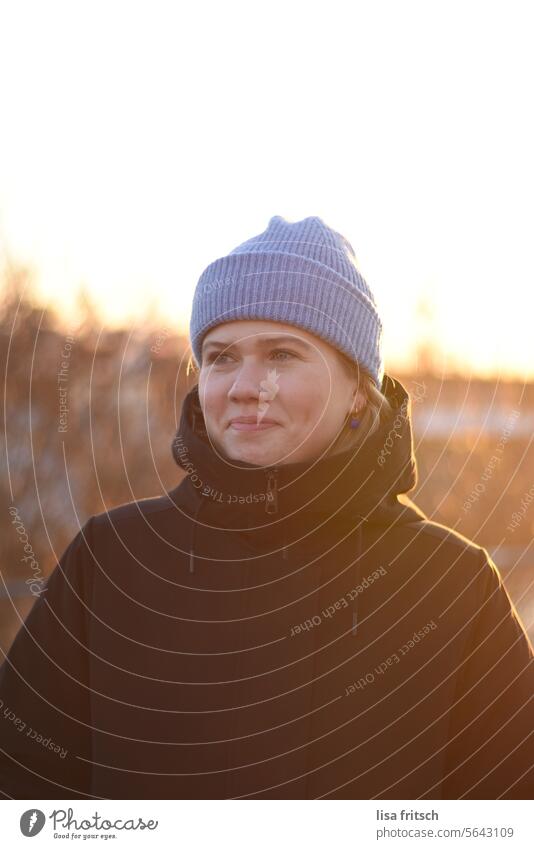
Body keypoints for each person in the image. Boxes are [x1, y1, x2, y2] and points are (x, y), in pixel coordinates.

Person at [0, 215, 532, 800]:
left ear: (358, 387)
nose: (247, 385)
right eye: (222, 357)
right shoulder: (113, 562)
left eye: (282, 355)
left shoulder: (449, 583)